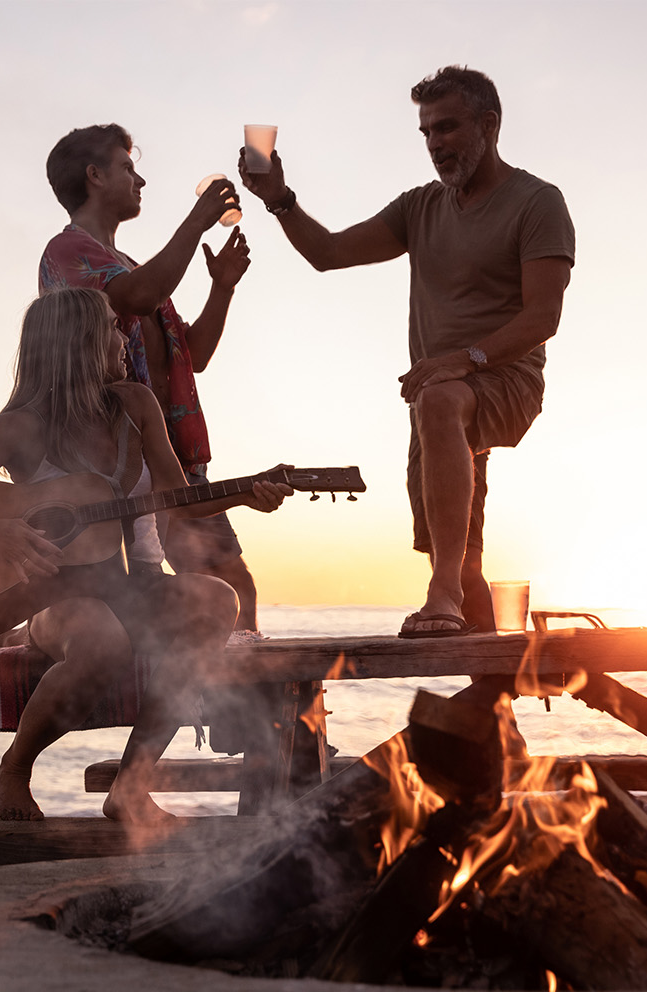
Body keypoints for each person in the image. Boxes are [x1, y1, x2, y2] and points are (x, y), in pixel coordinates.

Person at [0, 286, 293, 828]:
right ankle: (14, 768)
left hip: (141, 583)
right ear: (78, 342)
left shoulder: (136, 405)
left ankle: (131, 786)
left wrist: (250, 492)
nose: (122, 335)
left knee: (215, 600)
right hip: (61, 592)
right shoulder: (22, 427)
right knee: (103, 640)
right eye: (110, 327)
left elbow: (181, 500)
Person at [238, 66, 574, 637]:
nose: (435, 143)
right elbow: (329, 252)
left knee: (441, 405)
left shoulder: (537, 202)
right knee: (460, 545)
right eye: (425, 132)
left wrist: (462, 359)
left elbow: (543, 318)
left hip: (505, 379)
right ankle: (489, 697)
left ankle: (440, 597)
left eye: (447, 127)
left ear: (488, 125)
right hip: (438, 398)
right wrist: (279, 200)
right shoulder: (420, 208)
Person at [38, 124, 265, 630]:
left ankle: (241, 708)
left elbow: (194, 356)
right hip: (117, 468)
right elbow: (135, 296)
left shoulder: (137, 266)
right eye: (128, 168)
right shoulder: (66, 252)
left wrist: (222, 288)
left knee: (234, 588)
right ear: (94, 176)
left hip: (176, 464)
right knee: (137, 614)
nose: (140, 181)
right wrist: (198, 219)